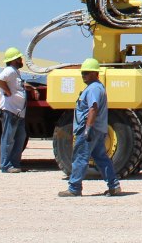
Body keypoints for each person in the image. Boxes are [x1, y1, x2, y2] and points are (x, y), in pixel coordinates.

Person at [60, 59, 120, 197]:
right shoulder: (97, 87)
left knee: (80, 157)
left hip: (90, 130)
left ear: (95, 73)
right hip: (98, 130)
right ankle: (114, 186)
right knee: (101, 158)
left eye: (86, 72)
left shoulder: (93, 88)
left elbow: (93, 108)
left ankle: (74, 188)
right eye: (82, 72)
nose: (83, 75)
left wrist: (87, 128)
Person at [0, 47, 28, 174]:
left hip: (18, 112)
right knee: (8, 138)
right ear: (14, 60)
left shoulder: (15, 72)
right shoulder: (9, 70)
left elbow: (18, 86)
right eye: (19, 58)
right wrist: (7, 92)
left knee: (20, 137)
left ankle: (14, 164)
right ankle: (5, 166)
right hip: (10, 110)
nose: (21, 60)